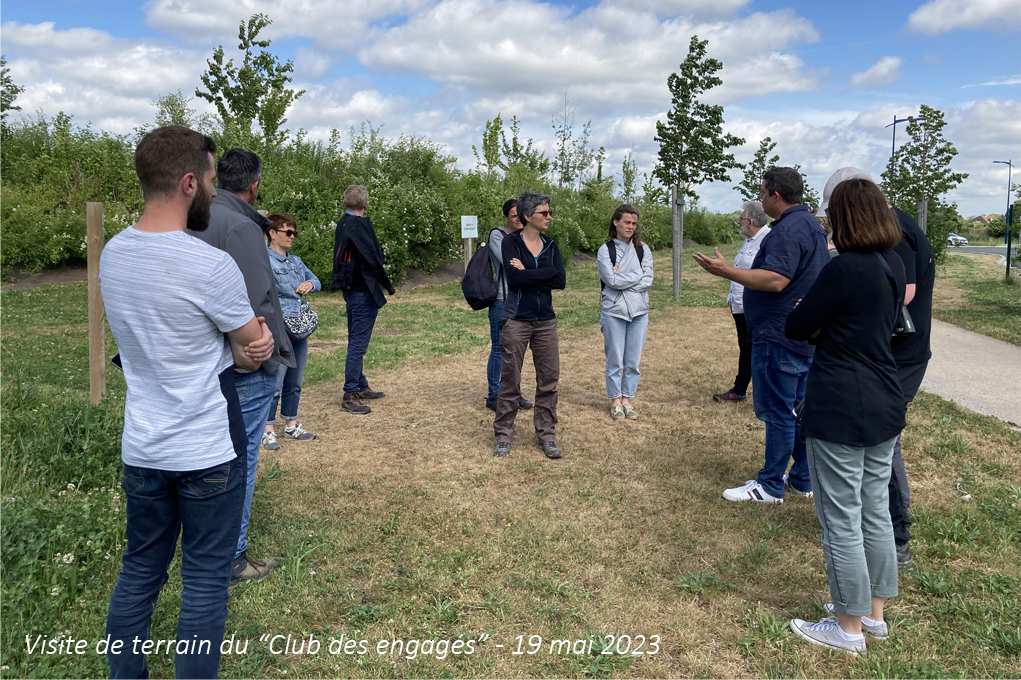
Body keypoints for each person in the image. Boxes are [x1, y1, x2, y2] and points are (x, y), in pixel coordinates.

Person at [101, 126, 274, 678]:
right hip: (206, 448)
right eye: (207, 181)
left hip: (144, 446)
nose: (212, 194)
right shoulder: (208, 265)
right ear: (186, 182)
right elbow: (253, 344)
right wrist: (248, 348)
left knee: (139, 571)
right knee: (203, 581)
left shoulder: (114, 254)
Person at [785, 177, 906, 655]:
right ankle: (874, 615)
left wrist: (812, 318)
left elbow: (798, 324)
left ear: (843, 218)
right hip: (884, 400)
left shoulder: (843, 268)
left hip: (840, 404)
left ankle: (847, 628)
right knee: (875, 510)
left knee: (840, 518)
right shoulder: (892, 263)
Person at [818, 167, 935, 569]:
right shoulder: (889, 225)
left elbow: (903, 292)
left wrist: (839, 295)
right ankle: (877, 525)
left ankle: (895, 536)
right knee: (878, 442)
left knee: (885, 442)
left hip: (896, 355)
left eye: (834, 212)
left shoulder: (895, 230)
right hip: (887, 352)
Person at [693, 167, 830, 503]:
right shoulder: (810, 225)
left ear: (776, 196)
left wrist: (727, 272)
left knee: (779, 412)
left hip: (779, 336)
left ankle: (769, 485)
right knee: (796, 411)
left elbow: (775, 280)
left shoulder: (787, 230)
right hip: (802, 337)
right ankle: (801, 478)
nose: (760, 197)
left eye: (762, 191)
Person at [189, 147, 292, 586]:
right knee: (242, 455)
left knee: (206, 454)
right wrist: (261, 357)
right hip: (244, 366)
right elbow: (255, 305)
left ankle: (204, 542)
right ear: (254, 186)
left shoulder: (191, 217)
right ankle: (232, 557)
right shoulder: (241, 227)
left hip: (201, 361)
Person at [493, 192, 567, 459]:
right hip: (516, 320)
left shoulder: (551, 245)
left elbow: (560, 280)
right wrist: (533, 274)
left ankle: (547, 435)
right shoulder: (510, 242)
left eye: (549, 212)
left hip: (546, 321)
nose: (549, 217)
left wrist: (528, 273)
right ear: (527, 216)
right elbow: (513, 279)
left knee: (549, 380)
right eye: (543, 213)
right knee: (510, 378)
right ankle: (503, 435)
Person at [331, 184, 395, 415]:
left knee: (355, 338)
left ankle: (360, 384)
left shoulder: (343, 223)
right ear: (366, 204)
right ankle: (350, 393)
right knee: (358, 343)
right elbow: (374, 257)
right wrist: (387, 284)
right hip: (362, 290)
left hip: (350, 288)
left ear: (345, 203)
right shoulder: (359, 226)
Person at [261, 213, 321, 450]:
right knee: (276, 381)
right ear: (272, 234)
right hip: (279, 327)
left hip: (300, 328)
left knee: (295, 380)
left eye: (294, 232)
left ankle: (291, 425)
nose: (292, 237)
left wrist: (310, 284)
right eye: (288, 232)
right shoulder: (264, 261)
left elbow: (316, 280)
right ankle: (266, 430)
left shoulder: (296, 261)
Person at [597, 204, 654, 420]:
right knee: (614, 358)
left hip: (639, 311)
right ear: (616, 223)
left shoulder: (643, 249)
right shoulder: (606, 250)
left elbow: (648, 279)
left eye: (634, 223)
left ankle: (627, 399)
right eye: (627, 222)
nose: (631, 227)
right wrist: (634, 276)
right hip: (614, 311)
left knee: (633, 360)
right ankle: (615, 400)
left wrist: (622, 277)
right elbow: (610, 280)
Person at [713, 201, 771, 403]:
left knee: (756, 350)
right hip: (740, 305)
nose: (738, 222)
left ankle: (750, 392)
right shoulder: (750, 239)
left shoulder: (767, 239)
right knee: (746, 349)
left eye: (741, 219)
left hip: (754, 306)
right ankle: (740, 390)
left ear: (751, 221)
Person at [485, 199, 533, 412]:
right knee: (499, 349)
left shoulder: (528, 236)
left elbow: (539, 262)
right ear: (505, 218)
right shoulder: (498, 235)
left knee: (517, 350)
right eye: (514, 215)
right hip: (502, 300)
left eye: (521, 215)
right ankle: (494, 396)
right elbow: (509, 262)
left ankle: (513, 393)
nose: (518, 219)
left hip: (524, 301)